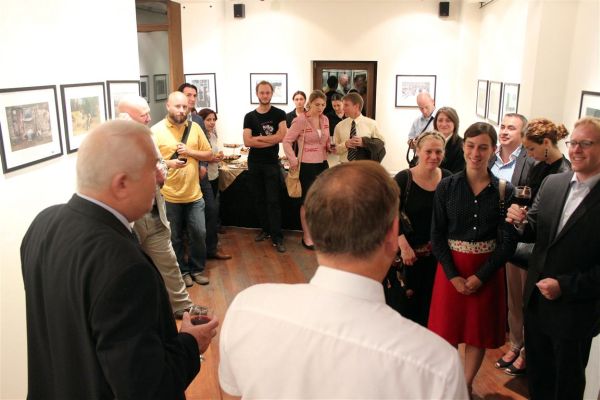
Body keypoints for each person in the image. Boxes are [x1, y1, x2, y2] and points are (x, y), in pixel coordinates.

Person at [219, 161, 469, 399]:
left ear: (309, 226)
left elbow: (233, 390)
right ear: (393, 234)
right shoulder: (435, 365)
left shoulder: (247, 307)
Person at [21, 120, 219, 399]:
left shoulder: (42, 224)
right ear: (122, 183)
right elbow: (149, 389)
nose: (160, 177)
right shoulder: (126, 267)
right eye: (153, 167)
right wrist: (189, 343)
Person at [506, 117, 600, 400]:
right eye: (574, 143)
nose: (576, 150)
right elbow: (533, 229)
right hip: (536, 305)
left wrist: (565, 286)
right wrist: (518, 222)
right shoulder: (553, 183)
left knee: (566, 386)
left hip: (574, 312)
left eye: (586, 143)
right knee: (538, 380)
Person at [429, 122, 517, 395]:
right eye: (470, 146)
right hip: (451, 269)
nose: (475, 153)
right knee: (447, 332)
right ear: (463, 146)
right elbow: (437, 235)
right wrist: (453, 276)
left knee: (476, 333)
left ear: (494, 150)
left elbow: (508, 241)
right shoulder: (446, 186)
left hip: (487, 270)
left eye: (483, 147)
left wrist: (481, 276)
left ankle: (466, 385)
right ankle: (450, 382)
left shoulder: (505, 190)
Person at [117, 95, 200, 319]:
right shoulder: (114, 143)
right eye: (143, 115)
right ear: (125, 117)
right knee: (133, 270)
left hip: (155, 213)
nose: (148, 118)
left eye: (148, 113)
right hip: (132, 220)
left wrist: (161, 171)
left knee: (169, 262)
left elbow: (160, 166)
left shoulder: (148, 136)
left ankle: (183, 307)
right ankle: (143, 316)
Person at [501, 118, 571, 378]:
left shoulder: (563, 172)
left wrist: (527, 215)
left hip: (537, 248)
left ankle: (526, 351)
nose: (528, 154)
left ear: (546, 144)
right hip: (521, 236)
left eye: (531, 148)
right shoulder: (536, 165)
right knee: (514, 300)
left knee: (528, 303)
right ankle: (515, 344)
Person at [487, 113, 535, 372]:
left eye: (512, 128)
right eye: (503, 126)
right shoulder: (490, 157)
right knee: (507, 298)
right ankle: (515, 344)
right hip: (489, 235)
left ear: (522, 134)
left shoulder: (530, 161)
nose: (504, 131)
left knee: (519, 297)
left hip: (516, 238)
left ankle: (525, 349)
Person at [152, 92, 214, 286]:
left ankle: (197, 269)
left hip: (194, 194)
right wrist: (169, 163)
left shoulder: (195, 128)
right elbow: (150, 163)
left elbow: (209, 154)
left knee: (199, 233)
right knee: (175, 238)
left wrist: (190, 152)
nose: (181, 110)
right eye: (177, 106)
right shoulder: (156, 131)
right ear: (168, 106)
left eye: (185, 107)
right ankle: (183, 272)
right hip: (169, 196)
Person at [391, 131, 452, 326]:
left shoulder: (448, 178)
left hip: (437, 258)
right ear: (417, 151)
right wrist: (403, 246)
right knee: (405, 312)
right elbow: (389, 213)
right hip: (408, 258)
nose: (434, 156)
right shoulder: (404, 178)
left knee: (432, 311)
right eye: (428, 151)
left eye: (438, 152)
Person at [243, 80, 287, 253]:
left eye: (267, 92)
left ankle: (277, 237)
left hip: (271, 164)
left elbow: (282, 137)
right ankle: (266, 230)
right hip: (254, 163)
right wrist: (271, 139)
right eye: (262, 92)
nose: (265, 95)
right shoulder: (249, 116)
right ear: (257, 94)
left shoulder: (279, 114)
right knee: (259, 199)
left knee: (273, 201)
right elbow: (247, 141)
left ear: (271, 93)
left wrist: (259, 139)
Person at [283, 90, 330, 250]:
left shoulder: (325, 119)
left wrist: (330, 146)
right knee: (307, 202)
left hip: (323, 164)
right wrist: (293, 160)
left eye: (323, 104)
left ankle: (317, 234)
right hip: (307, 166)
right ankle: (307, 236)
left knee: (321, 202)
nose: (320, 108)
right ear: (310, 104)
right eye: (317, 104)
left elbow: (325, 140)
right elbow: (287, 141)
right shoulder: (300, 120)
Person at [196, 107, 231, 260]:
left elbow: (213, 153)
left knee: (213, 210)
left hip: (214, 175)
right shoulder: (199, 136)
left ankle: (211, 245)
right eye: (208, 120)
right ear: (201, 121)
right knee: (209, 211)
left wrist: (218, 156)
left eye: (214, 119)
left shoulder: (213, 134)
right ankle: (207, 247)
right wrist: (211, 158)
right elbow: (200, 157)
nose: (212, 122)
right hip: (205, 178)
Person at [333, 92, 385, 163]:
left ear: (356, 106)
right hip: (344, 166)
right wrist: (345, 145)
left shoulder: (372, 124)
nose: (343, 108)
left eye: (346, 105)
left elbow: (381, 144)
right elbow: (335, 150)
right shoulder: (339, 126)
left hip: (364, 166)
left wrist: (364, 142)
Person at [434, 106, 465, 173]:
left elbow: (457, 174)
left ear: (455, 123)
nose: (443, 124)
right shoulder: (430, 141)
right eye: (440, 120)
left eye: (448, 121)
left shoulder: (461, 146)